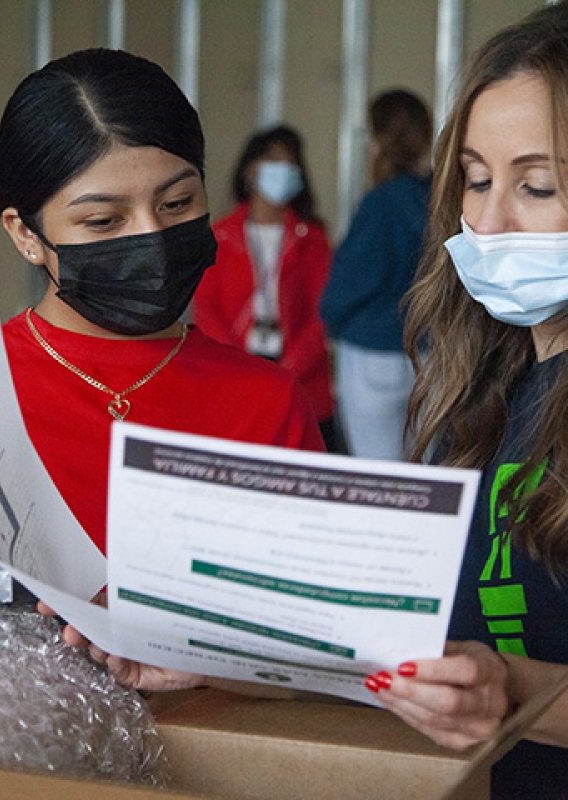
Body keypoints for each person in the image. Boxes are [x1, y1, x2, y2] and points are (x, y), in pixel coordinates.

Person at [61, 6, 568, 799]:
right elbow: (438, 650)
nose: (489, 221)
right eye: (475, 179)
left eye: (536, 186)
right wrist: (221, 652)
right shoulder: (487, 394)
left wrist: (512, 687)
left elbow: (499, 670)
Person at [0, 48, 324, 800]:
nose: (150, 235)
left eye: (177, 202)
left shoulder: (266, 401)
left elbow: (321, 658)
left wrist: (211, 655)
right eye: (103, 219)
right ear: (26, 234)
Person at [192, 125, 336, 450]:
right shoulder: (220, 236)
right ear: (251, 170)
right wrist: (237, 365)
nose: (284, 170)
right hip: (234, 372)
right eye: (275, 161)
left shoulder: (312, 239)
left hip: (299, 376)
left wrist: (288, 369)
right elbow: (206, 309)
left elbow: (323, 314)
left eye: (292, 163)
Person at [320, 89, 432, 461]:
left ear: (379, 140)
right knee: (427, 478)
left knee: (379, 479)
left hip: (372, 355)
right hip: (433, 355)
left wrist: (332, 322)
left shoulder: (380, 203)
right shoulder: (442, 198)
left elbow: (350, 284)